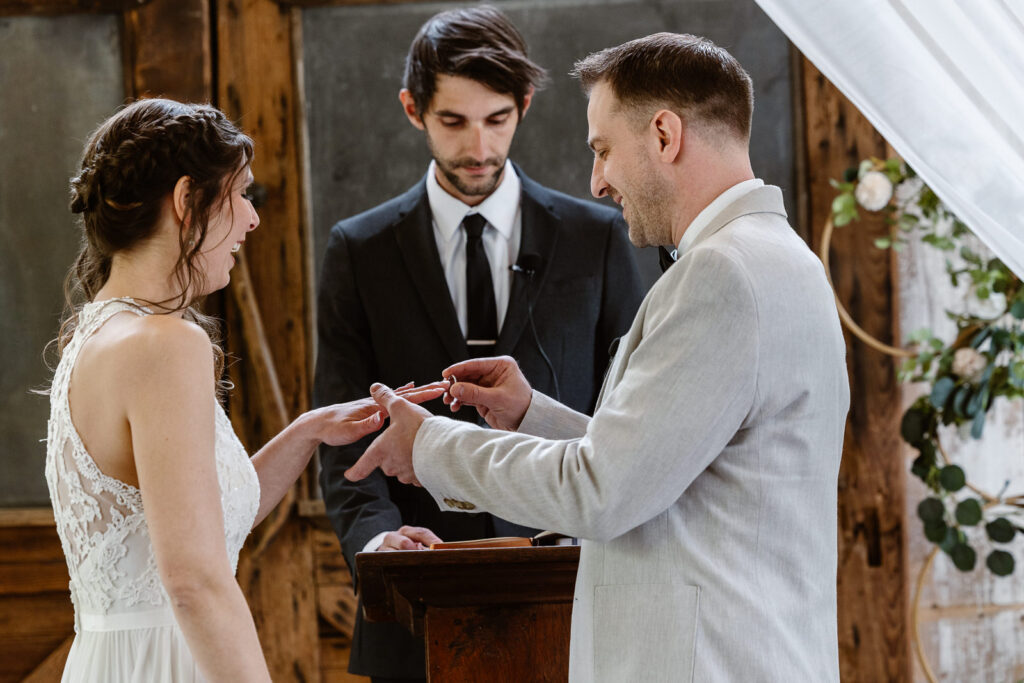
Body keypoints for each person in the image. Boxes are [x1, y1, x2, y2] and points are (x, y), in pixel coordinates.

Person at [347, 33, 851, 682]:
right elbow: (675, 465)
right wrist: (535, 414)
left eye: (603, 149)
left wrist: (431, 447)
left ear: (665, 135)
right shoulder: (781, 259)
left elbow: (602, 490)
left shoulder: (721, 276)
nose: (597, 180)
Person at [44, 98, 444, 683]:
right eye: (239, 195)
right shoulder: (165, 344)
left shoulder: (95, 332)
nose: (252, 219)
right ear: (186, 201)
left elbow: (195, 520)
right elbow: (194, 579)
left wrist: (307, 432)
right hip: (171, 662)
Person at [313, 7, 644, 681]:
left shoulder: (599, 237)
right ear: (413, 110)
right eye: (453, 122)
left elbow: (630, 419)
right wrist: (381, 549)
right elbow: (342, 438)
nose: (479, 147)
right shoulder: (359, 251)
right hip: (412, 621)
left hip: (577, 608)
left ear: (523, 105)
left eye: (497, 119)